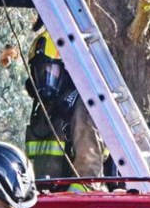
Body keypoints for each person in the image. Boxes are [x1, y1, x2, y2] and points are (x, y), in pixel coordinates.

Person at [24, 29, 104, 189]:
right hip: (46, 202)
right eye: (40, 71)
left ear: (68, 72)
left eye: (51, 70)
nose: (46, 78)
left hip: (71, 206)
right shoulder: (42, 111)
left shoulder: (80, 106)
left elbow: (88, 171)